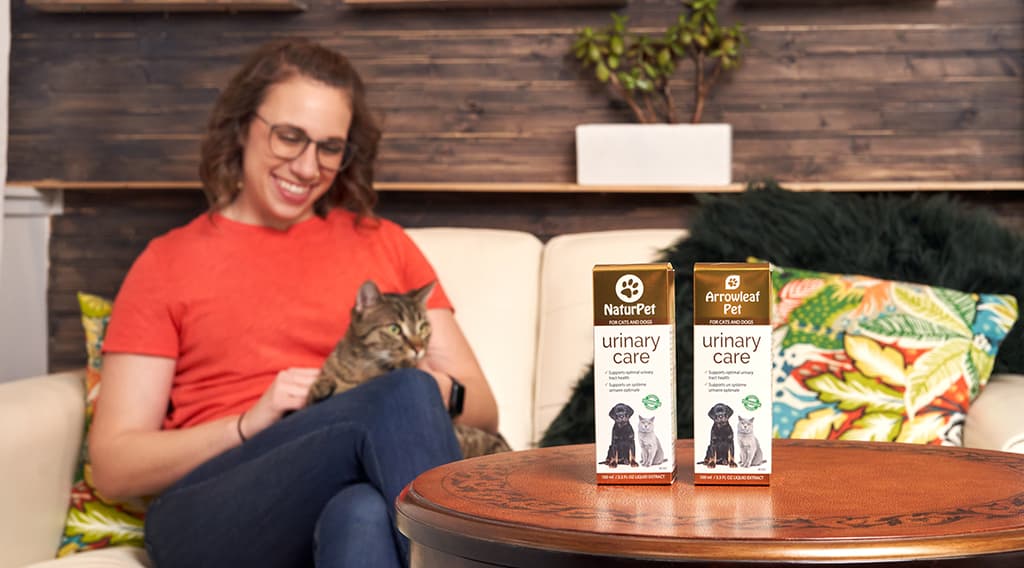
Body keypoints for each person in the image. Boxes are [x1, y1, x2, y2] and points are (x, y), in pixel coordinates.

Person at [88, 38, 500, 568]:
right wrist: (247, 423)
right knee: (400, 396)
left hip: (342, 492)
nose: (307, 167)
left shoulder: (384, 244)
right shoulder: (166, 262)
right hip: (209, 512)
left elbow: (482, 408)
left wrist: (406, 388)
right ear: (242, 127)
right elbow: (115, 466)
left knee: (362, 512)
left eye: (330, 147)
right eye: (289, 137)